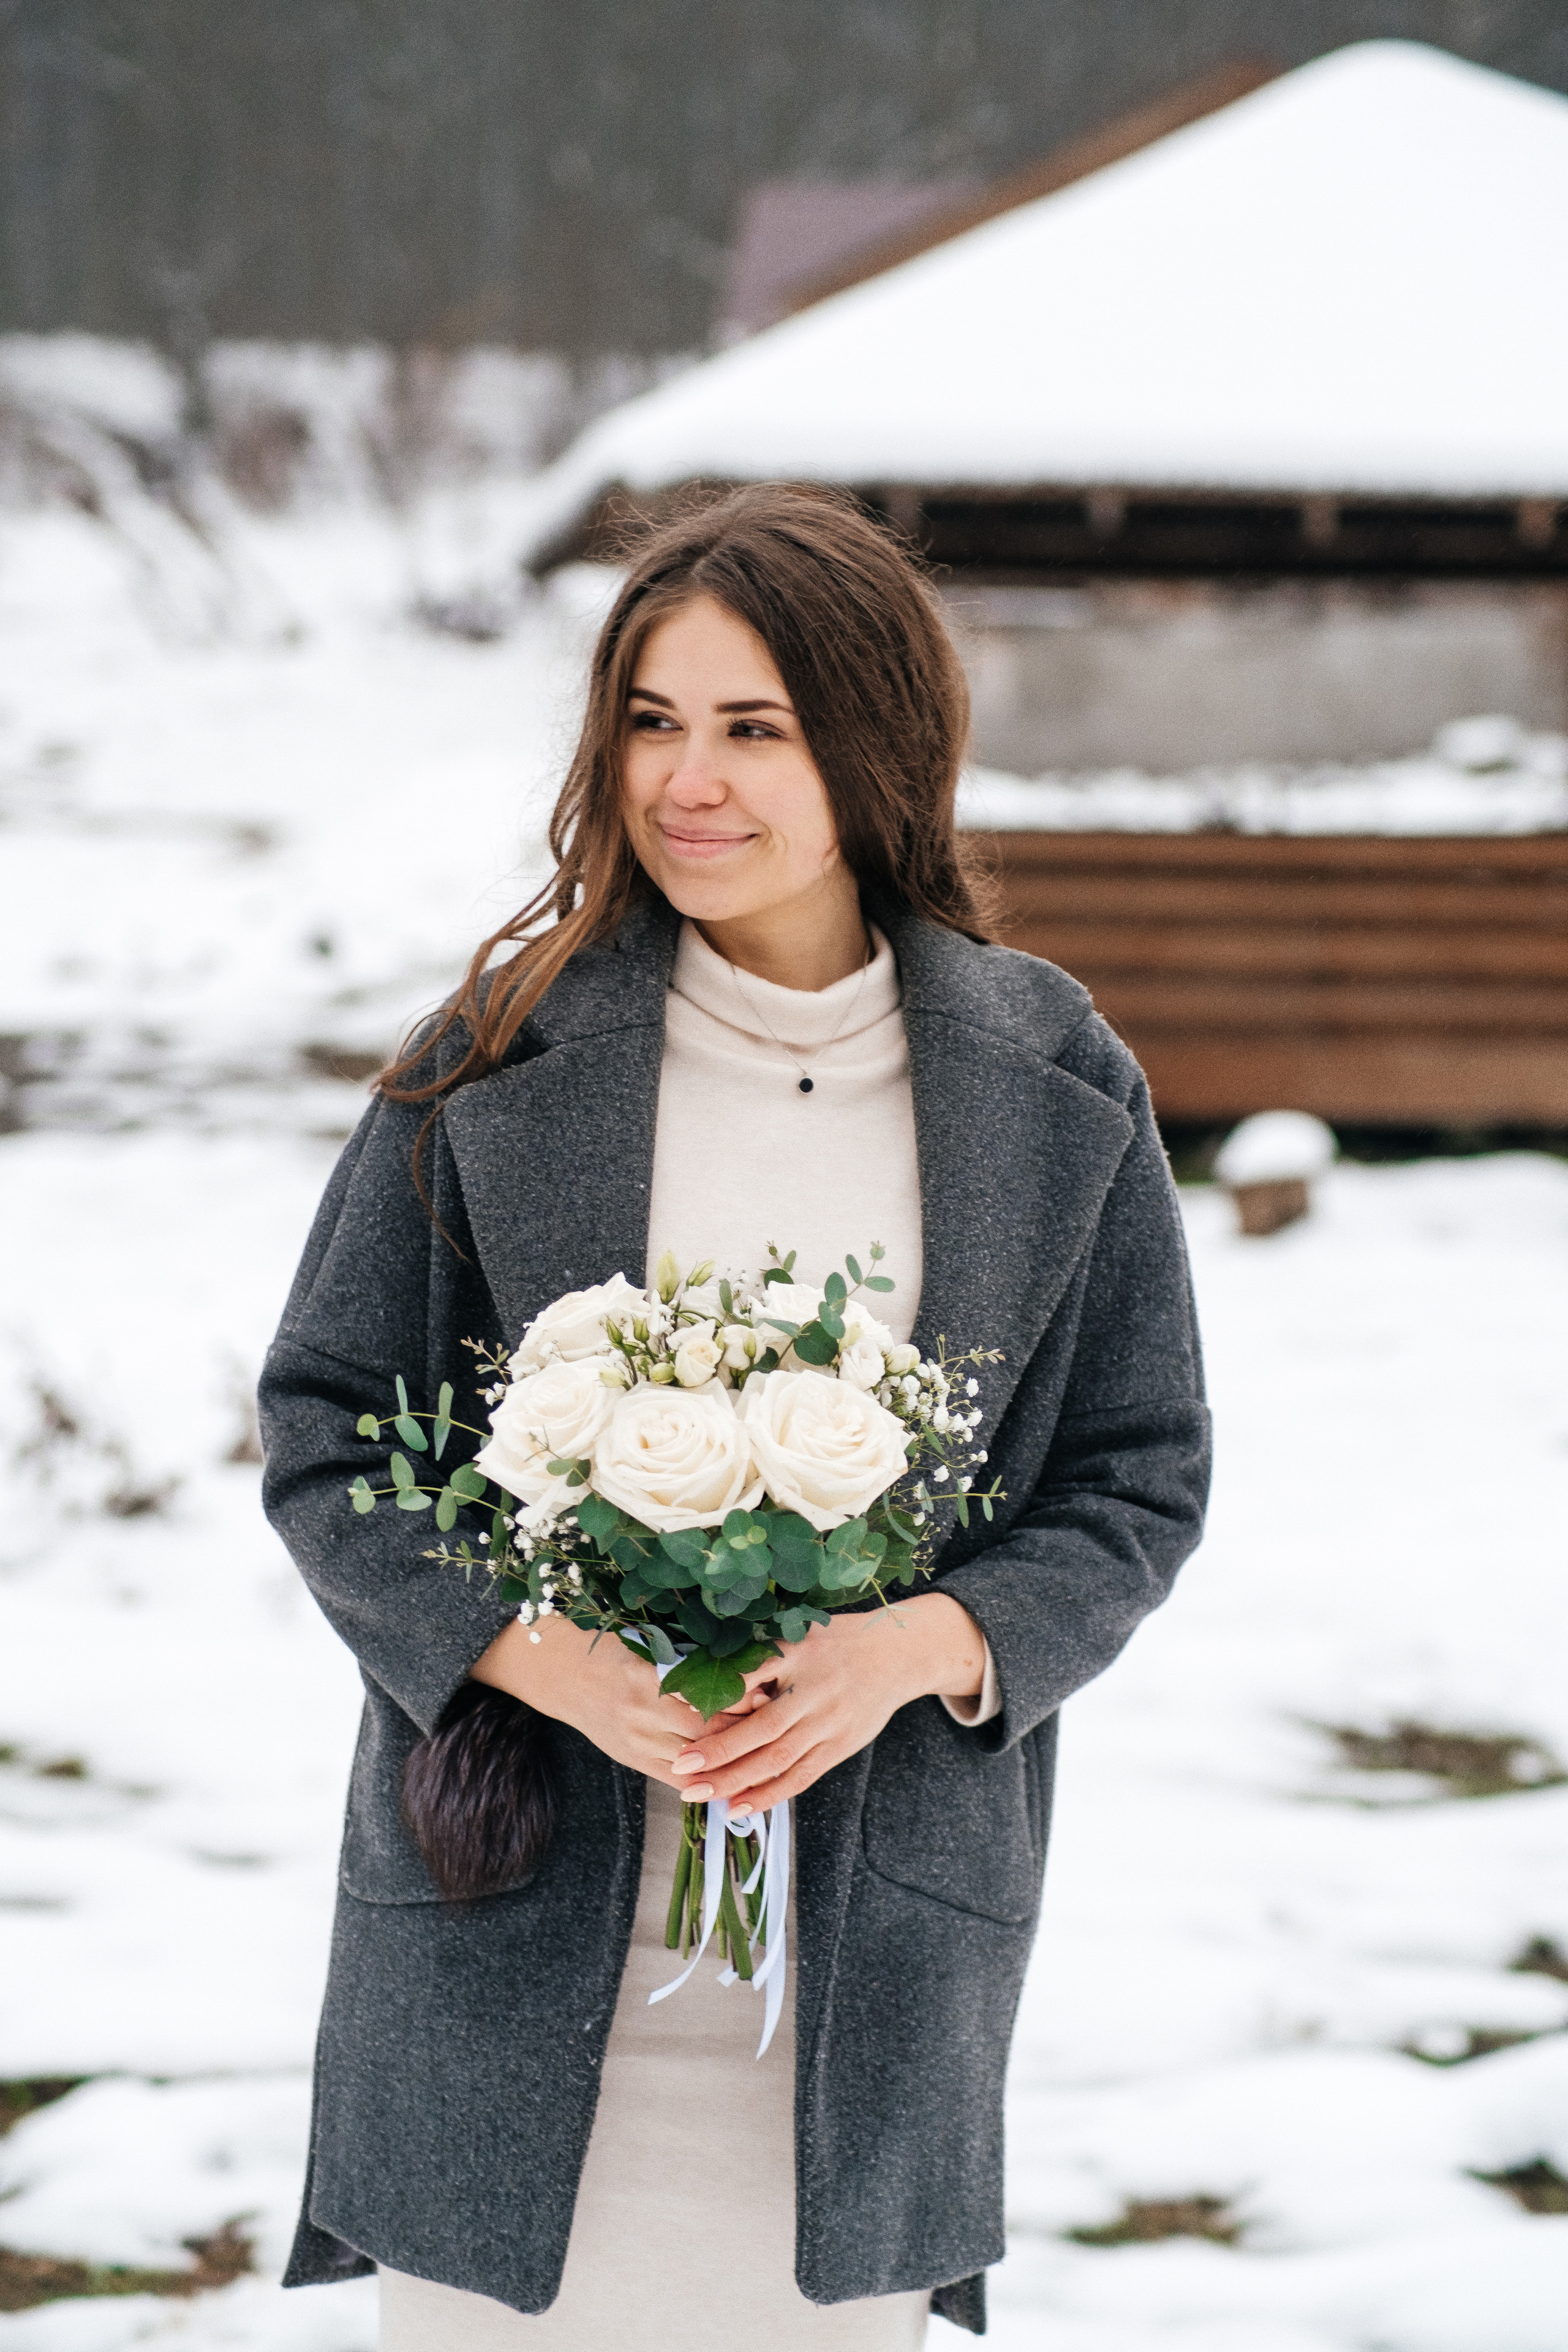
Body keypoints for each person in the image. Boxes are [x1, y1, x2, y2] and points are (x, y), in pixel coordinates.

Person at [258, 483, 1211, 2348]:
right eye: (651, 721)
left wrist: (921, 1645)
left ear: (876, 743)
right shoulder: (500, 1052)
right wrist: (537, 1656)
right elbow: (324, 1423)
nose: (688, 780)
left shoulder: (1052, 1079)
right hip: (512, 1925)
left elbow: (1138, 1474)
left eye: (753, 728)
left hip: (864, 1967)